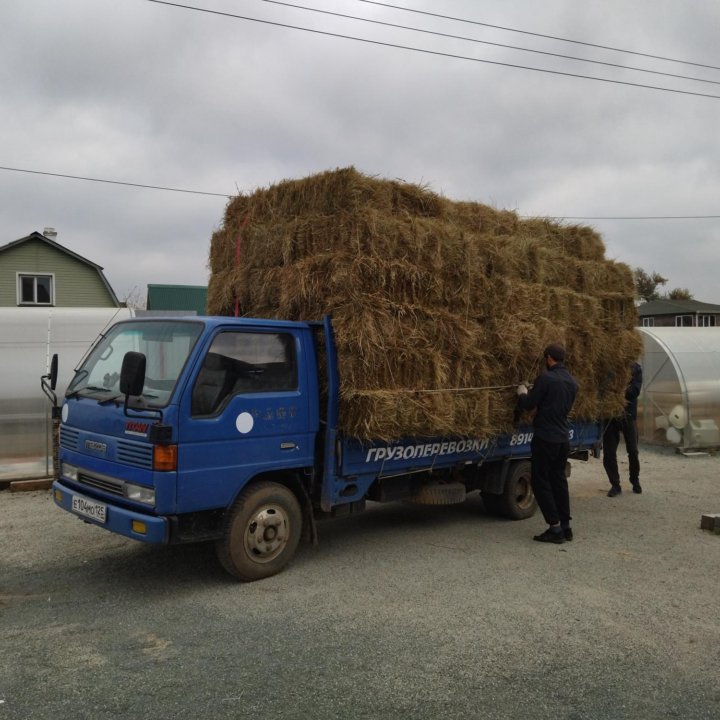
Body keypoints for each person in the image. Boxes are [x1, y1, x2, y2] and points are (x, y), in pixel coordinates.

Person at [517, 343, 578, 544]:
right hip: (562, 439)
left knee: (540, 482)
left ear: (549, 358)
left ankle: (555, 528)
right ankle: (566, 526)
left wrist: (522, 392)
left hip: (545, 438)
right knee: (559, 481)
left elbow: (528, 404)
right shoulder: (572, 382)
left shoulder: (546, 378)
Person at [603, 362, 643, 497]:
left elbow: (634, 391)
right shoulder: (608, 367)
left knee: (633, 450)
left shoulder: (635, 368)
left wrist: (617, 389)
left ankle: (635, 480)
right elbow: (602, 389)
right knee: (609, 453)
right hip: (610, 415)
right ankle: (615, 484)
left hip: (628, 415)